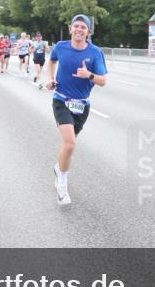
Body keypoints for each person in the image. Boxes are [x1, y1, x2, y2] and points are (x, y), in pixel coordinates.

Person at [45, 14, 108, 205]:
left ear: (88, 32)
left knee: (68, 146)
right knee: (70, 143)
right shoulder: (61, 47)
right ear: (71, 29)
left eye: (83, 27)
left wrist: (89, 75)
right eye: (76, 26)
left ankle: (59, 168)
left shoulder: (96, 53)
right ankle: (62, 185)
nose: (79, 30)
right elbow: (52, 61)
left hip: (82, 105)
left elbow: (103, 81)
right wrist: (50, 78)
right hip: (61, 100)